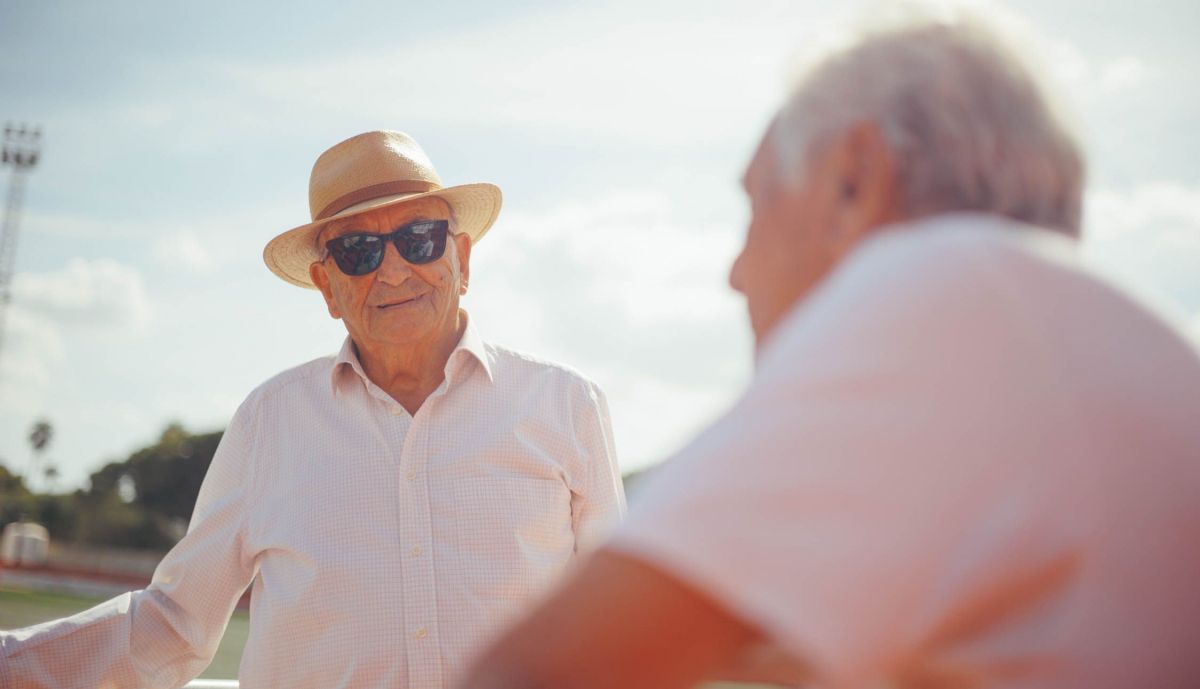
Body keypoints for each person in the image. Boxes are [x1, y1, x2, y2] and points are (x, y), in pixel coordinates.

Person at [459, 10, 1200, 689]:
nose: (736, 273)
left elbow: (535, 674)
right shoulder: (1088, 337)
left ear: (855, 182)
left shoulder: (937, 288)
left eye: (757, 203)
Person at [0, 130, 626, 688]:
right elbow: (174, 624)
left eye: (419, 239)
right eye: (358, 251)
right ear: (327, 286)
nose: (394, 270)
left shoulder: (567, 407)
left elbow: (617, 629)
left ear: (461, 259)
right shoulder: (268, 424)